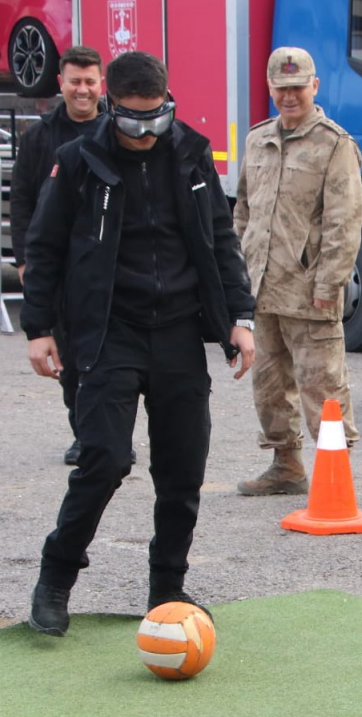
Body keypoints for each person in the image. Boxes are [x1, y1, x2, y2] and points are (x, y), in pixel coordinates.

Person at [21, 51, 256, 636]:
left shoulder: (193, 152)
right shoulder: (77, 162)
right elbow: (44, 247)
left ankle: (167, 588)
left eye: (157, 118)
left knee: (183, 467)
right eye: (132, 121)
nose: (146, 132)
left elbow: (220, 240)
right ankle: (55, 580)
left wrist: (239, 316)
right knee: (104, 458)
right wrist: (38, 328)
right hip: (107, 332)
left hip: (178, 331)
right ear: (110, 106)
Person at [233, 47, 362, 496]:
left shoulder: (334, 144)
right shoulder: (257, 139)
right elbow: (244, 211)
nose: (289, 97)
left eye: (297, 88)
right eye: (280, 89)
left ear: (315, 86)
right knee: (269, 387)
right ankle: (285, 466)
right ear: (270, 88)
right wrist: (240, 273)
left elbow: (344, 223)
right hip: (263, 288)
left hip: (311, 293)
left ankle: (335, 480)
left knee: (322, 390)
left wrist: (329, 284)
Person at [10, 45, 107, 465]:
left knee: (106, 354)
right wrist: (23, 260)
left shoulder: (117, 129)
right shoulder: (39, 138)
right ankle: (84, 433)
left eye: (89, 81)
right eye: (74, 81)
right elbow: (22, 201)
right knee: (66, 353)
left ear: (101, 84)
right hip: (60, 264)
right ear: (60, 84)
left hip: (106, 262)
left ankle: (108, 432)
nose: (82, 90)